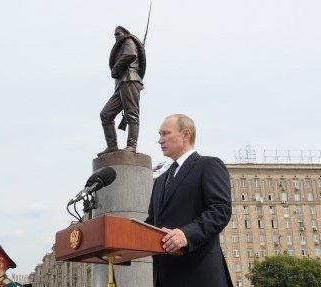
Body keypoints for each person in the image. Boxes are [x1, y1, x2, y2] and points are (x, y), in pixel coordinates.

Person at [144, 114, 233, 287]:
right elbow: (152, 223)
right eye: (160, 134)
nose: (159, 140)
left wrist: (186, 234)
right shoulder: (160, 181)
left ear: (186, 134)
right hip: (165, 277)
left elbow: (220, 210)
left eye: (165, 133)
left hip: (199, 274)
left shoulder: (208, 165)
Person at [98, 26, 145, 156]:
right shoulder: (122, 44)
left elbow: (131, 54)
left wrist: (115, 69)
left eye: (118, 33)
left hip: (130, 79)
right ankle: (112, 146)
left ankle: (131, 146)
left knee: (132, 114)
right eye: (114, 35)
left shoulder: (128, 41)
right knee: (106, 114)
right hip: (121, 83)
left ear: (124, 33)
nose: (116, 36)